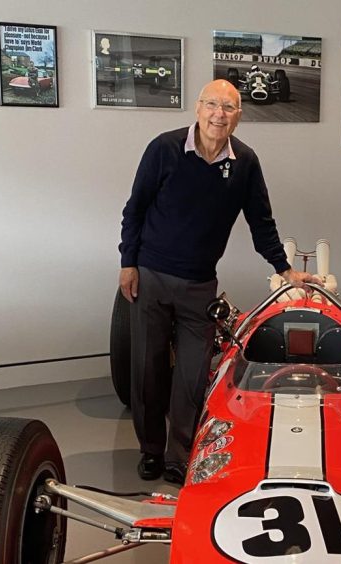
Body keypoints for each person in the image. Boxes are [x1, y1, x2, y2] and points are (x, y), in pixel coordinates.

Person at [118, 79, 321, 484]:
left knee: (192, 376)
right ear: (197, 108)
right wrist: (128, 263)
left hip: (200, 285)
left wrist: (285, 269)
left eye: (228, 108)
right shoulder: (164, 149)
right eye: (212, 105)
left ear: (239, 116)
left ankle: (179, 455)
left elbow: (261, 223)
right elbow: (135, 209)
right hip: (152, 277)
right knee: (147, 371)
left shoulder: (245, 162)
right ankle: (151, 451)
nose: (218, 114)